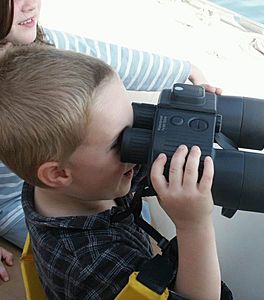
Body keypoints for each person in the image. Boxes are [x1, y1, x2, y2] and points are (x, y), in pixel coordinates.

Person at [0, 45, 222, 299]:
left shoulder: (66, 186)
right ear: (59, 173)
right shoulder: (90, 265)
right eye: (120, 142)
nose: (134, 148)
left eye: (135, 120)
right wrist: (194, 225)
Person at [0, 0, 221, 250]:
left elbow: (110, 60)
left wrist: (186, 72)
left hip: (49, 184)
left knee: (133, 213)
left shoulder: (40, 43)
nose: (29, 4)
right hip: (13, 206)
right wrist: (195, 226)